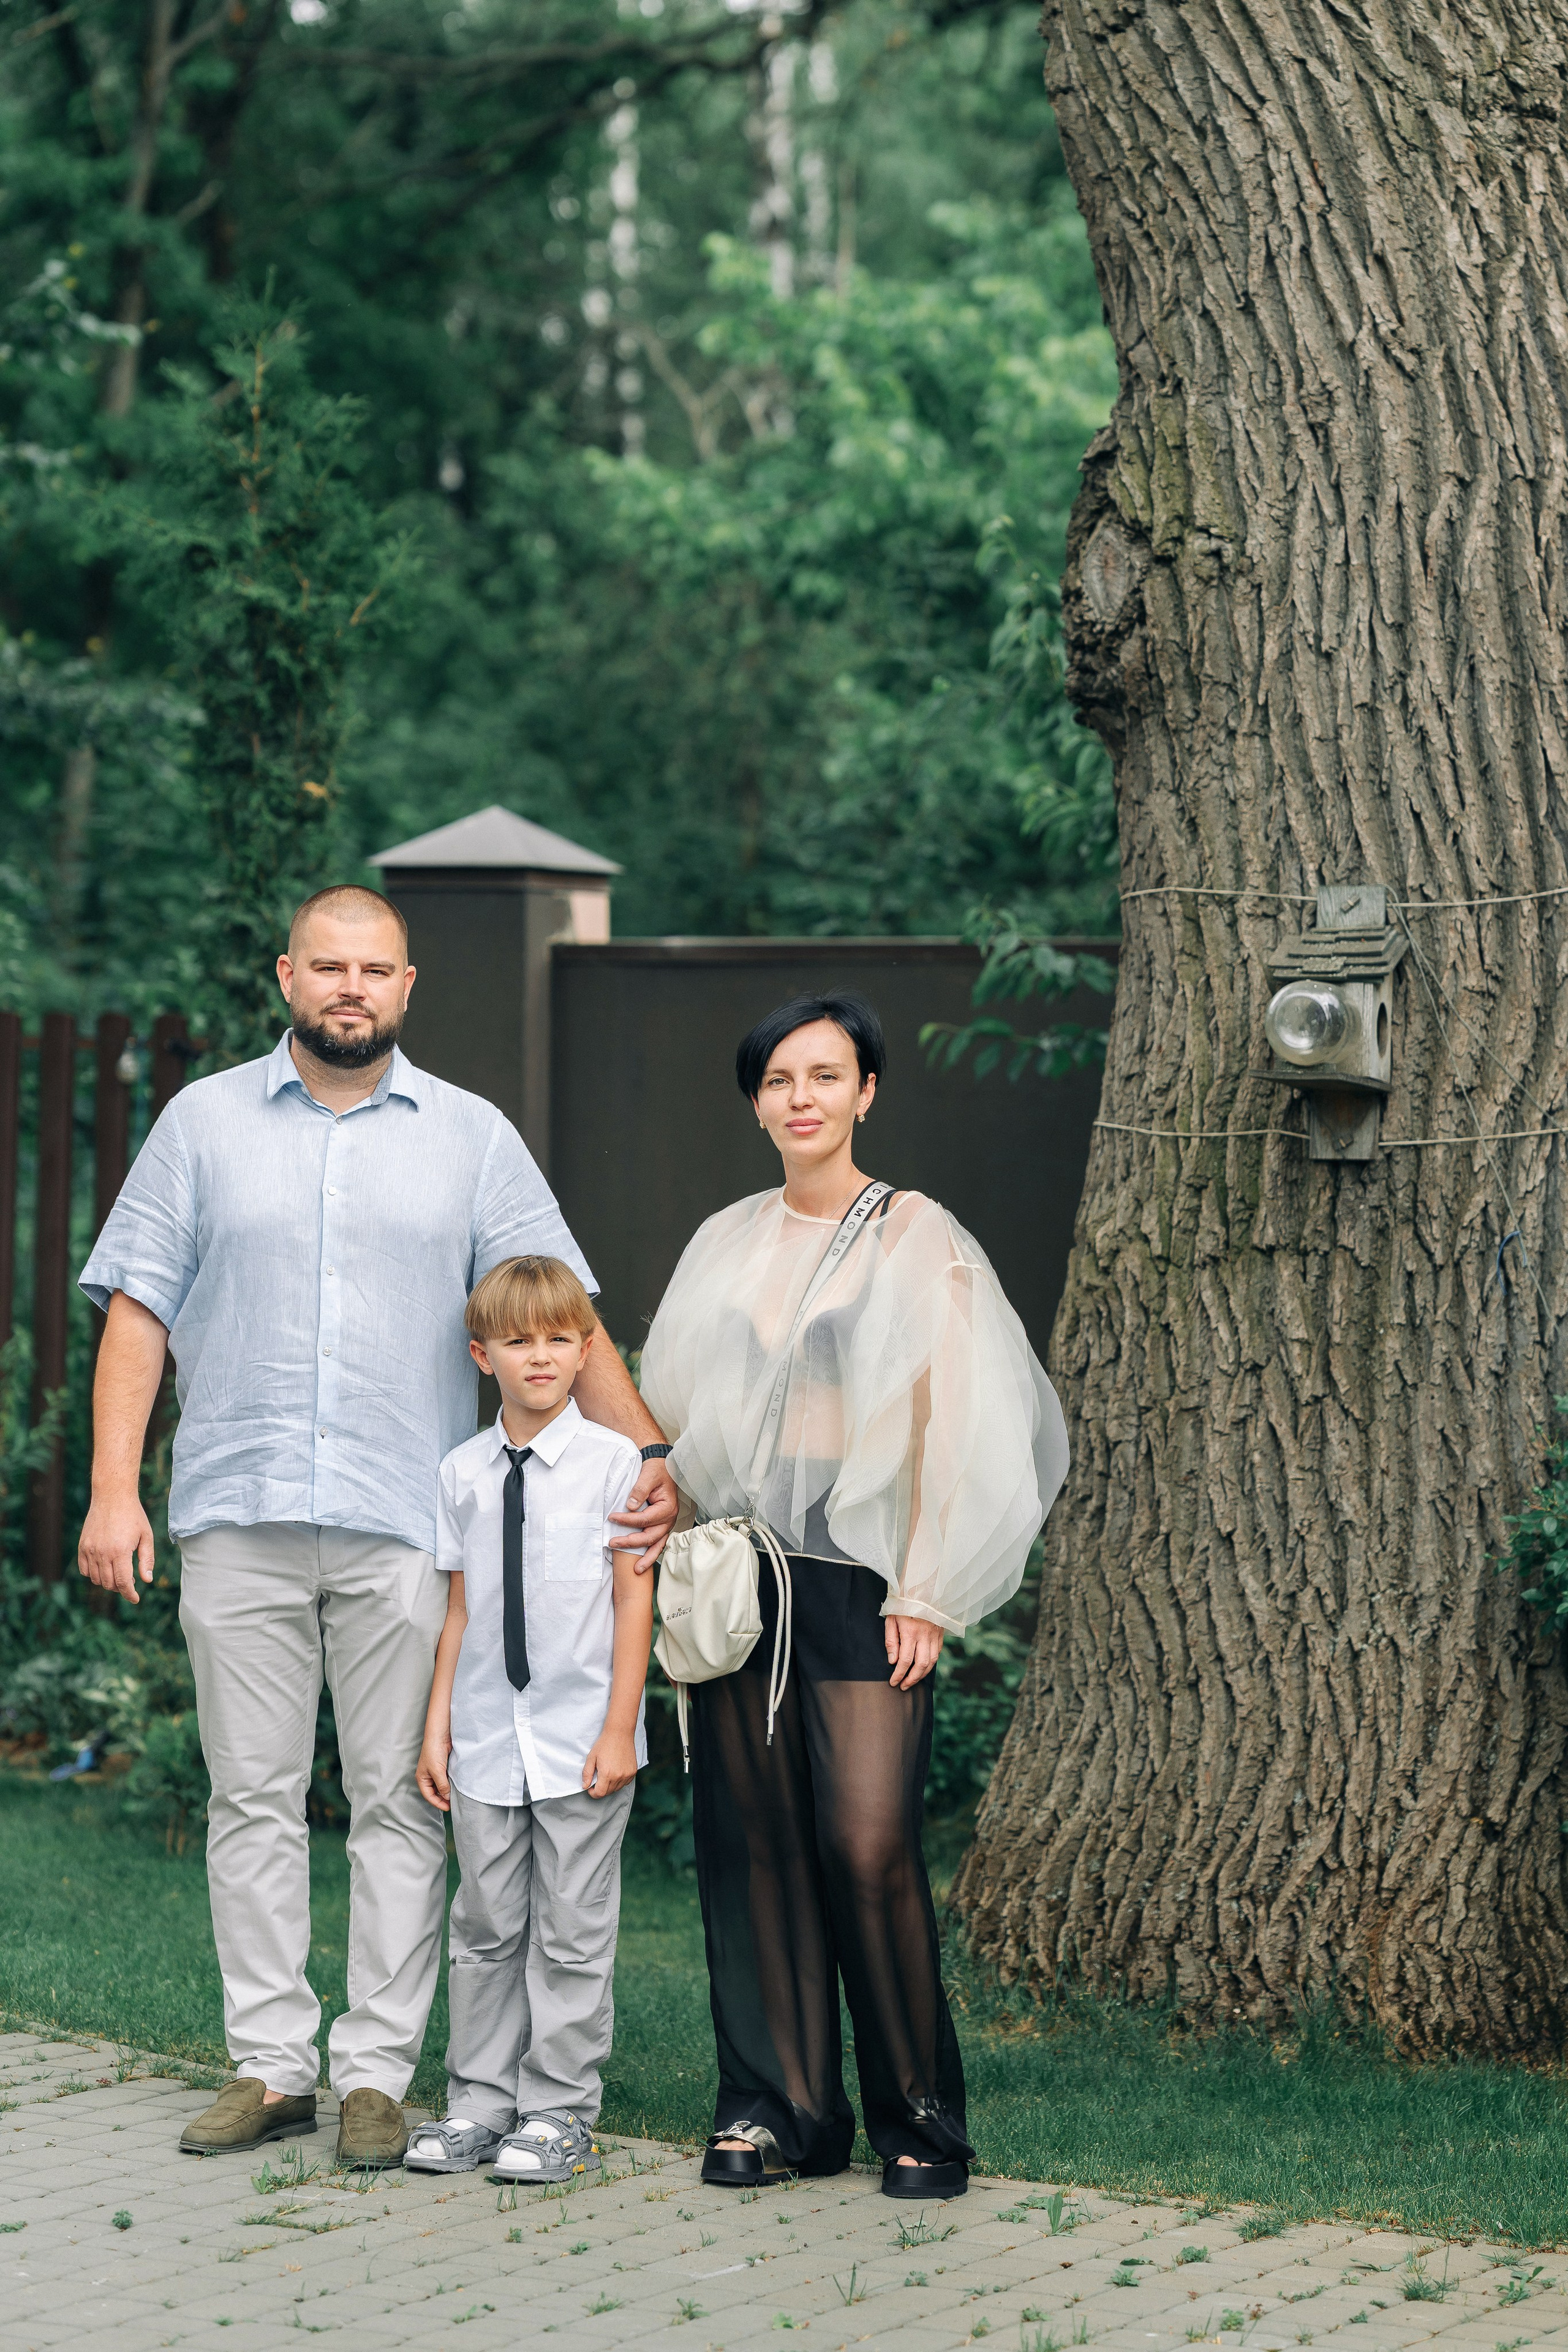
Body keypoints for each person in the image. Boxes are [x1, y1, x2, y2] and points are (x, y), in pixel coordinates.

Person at [76, 886, 677, 2168]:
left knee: (401, 1801)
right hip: (237, 1509)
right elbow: (137, 1311)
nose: (350, 987)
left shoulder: (471, 1138)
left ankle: (373, 2077)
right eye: (328, 966)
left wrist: (648, 1458)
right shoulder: (200, 1125)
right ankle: (269, 2066)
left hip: (407, 1521)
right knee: (250, 1799)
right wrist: (113, 1488)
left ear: (407, 988)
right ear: (287, 976)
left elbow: (565, 1319)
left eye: (375, 969)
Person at [638, 989, 1068, 2201]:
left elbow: (958, 1419)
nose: (801, 1098)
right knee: (753, 1851)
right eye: (778, 1080)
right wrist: (664, 1498)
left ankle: (920, 2119)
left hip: (861, 1580)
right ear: (756, 1101)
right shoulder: (725, 1238)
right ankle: (779, 2111)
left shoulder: (913, 1234)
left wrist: (924, 1585)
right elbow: (676, 1409)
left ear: (866, 1093)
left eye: (825, 1076)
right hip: (743, 1578)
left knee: (867, 1846)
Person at [405, 1255, 652, 2181]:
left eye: (558, 1339)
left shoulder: (615, 1465)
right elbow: (461, 1610)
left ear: (586, 1350)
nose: (540, 1357)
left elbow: (633, 1601)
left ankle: (557, 2110)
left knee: (572, 1932)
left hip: (580, 1739)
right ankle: (478, 2102)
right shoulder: (461, 1473)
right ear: (484, 1356)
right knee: (485, 1926)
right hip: (484, 1740)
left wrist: (621, 1727)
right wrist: (438, 1726)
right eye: (518, 1341)